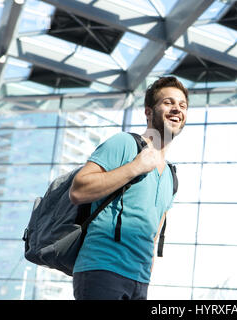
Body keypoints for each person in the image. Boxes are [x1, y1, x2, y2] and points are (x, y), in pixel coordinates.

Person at [68, 76, 189, 300]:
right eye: (168, 102)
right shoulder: (124, 143)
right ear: (148, 112)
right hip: (102, 270)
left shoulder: (171, 177)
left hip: (140, 281)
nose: (176, 109)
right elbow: (78, 190)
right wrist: (135, 167)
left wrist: (146, 273)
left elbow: (153, 233)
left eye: (182, 105)